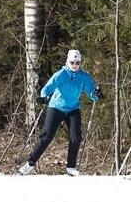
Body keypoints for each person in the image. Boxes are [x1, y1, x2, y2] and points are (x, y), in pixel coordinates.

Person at [19, 49, 102, 177]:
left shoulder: (84, 76)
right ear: (67, 61)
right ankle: (29, 164)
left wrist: (95, 95)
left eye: (77, 62)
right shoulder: (61, 74)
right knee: (47, 136)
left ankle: (70, 167)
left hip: (73, 108)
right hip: (56, 107)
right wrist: (44, 97)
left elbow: (91, 92)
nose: (75, 65)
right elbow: (47, 88)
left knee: (76, 137)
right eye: (72, 62)